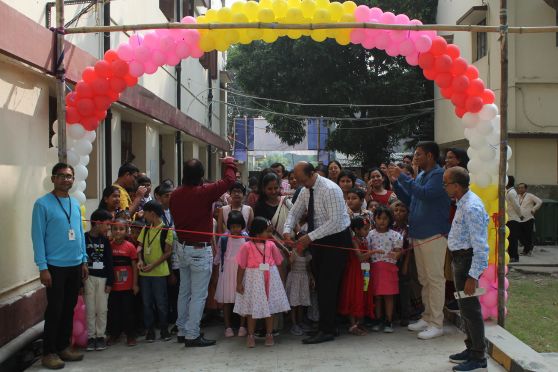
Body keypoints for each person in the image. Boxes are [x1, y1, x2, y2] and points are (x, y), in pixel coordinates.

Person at [170, 157, 237, 347]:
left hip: (182, 248)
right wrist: (229, 163)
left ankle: (182, 330)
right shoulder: (204, 192)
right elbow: (230, 181)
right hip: (199, 249)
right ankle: (192, 334)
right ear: (201, 176)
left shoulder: (175, 194)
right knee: (198, 295)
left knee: (185, 291)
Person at [284, 161, 352, 344]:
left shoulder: (330, 189)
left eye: (302, 179)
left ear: (312, 173)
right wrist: (287, 229)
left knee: (327, 285)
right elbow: (295, 211)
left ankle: (327, 329)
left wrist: (309, 237)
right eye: (297, 180)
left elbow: (335, 221)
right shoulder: (307, 190)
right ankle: (328, 324)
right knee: (322, 285)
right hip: (318, 239)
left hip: (336, 239)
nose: (299, 183)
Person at [388, 141, 451, 340]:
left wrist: (403, 177)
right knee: (424, 279)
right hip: (420, 234)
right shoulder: (423, 175)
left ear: (430, 156)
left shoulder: (439, 175)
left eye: (418, 154)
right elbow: (410, 200)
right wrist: (396, 182)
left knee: (435, 279)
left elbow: (425, 193)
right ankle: (427, 316)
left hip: (433, 235)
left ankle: (437, 323)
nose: (415, 157)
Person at [31, 163, 88, 369]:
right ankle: (49, 352)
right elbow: (37, 237)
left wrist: (83, 260)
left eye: (70, 176)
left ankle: (63, 346)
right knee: (54, 309)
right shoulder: (42, 204)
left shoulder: (74, 203)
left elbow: (80, 233)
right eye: (62, 176)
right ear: (53, 179)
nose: (67, 179)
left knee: (68, 308)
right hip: (54, 267)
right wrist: (42, 267)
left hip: (75, 265)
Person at [443, 167, 489, 372]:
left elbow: (481, 246)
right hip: (459, 260)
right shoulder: (461, 202)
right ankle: (471, 348)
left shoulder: (471, 207)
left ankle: (479, 357)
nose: (444, 187)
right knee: (465, 309)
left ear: (457, 186)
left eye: (446, 183)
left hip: (467, 262)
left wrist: (473, 275)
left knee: (471, 310)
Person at [234, 217, 291, 348]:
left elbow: (279, 262)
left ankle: (269, 334)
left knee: (269, 308)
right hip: (253, 279)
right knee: (251, 309)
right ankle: (250, 335)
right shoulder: (246, 247)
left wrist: (281, 282)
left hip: (271, 278)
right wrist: (238, 283)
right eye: (267, 231)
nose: (269, 234)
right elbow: (241, 266)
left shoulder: (271, 245)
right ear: (258, 232)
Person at [137, 200, 173, 342]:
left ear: (152, 213)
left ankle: (164, 329)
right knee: (146, 303)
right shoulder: (145, 229)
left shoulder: (167, 230)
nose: (143, 215)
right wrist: (140, 259)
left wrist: (153, 265)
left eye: (145, 212)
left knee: (161, 303)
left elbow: (167, 252)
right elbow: (139, 247)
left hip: (159, 273)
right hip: (145, 272)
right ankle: (150, 330)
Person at [368, 206, 403, 333]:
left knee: (389, 296)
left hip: (389, 269)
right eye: (379, 218)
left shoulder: (395, 235)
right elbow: (366, 251)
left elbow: (399, 251)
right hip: (375, 268)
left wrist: (397, 255)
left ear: (390, 220)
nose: (382, 221)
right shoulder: (370, 234)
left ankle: (389, 321)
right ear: (374, 219)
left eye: (385, 218)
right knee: (377, 296)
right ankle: (378, 320)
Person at [337, 216, 375, 336]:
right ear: (356, 230)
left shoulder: (363, 240)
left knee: (363, 295)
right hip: (354, 273)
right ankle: (352, 325)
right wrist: (373, 252)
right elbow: (360, 257)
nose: (367, 231)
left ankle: (359, 323)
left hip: (364, 272)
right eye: (365, 229)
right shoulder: (354, 241)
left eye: (368, 229)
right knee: (354, 296)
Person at [84, 209, 114, 352]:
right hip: (88, 278)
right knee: (90, 309)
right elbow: (80, 261)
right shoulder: (84, 238)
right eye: (107, 225)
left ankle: (100, 336)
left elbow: (109, 261)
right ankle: (91, 337)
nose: (109, 228)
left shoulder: (105, 241)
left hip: (103, 279)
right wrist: (80, 283)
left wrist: (110, 281)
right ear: (97, 223)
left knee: (102, 309)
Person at [214, 211, 248, 337]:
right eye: (233, 226)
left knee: (242, 299)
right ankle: (227, 327)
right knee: (227, 301)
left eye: (238, 226)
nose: (235, 229)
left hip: (242, 272)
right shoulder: (224, 239)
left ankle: (242, 326)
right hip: (227, 272)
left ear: (242, 226)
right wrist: (216, 267)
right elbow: (218, 255)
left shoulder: (246, 237)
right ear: (229, 226)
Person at [107, 218, 139, 347]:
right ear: (111, 231)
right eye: (115, 229)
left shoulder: (130, 247)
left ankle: (130, 335)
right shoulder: (108, 246)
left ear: (126, 231)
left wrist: (135, 284)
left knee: (128, 312)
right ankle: (114, 334)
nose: (118, 232)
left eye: (121, 229)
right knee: (114, 312)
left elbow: (134, 267)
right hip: (113, 288)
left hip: (127, 287)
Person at [154, 183, 180, 332]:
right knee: (162, 293)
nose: (169, 198)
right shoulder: (156, 214)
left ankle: (177, 318)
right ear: (159, 197)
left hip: (176, 256)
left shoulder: (176, 211)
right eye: (166, 196)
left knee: (176, 291)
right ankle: (162, 320)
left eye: (171, 195)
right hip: (160, 256)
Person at [516, 183, 543, 256]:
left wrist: (534, 209)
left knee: (528, 235)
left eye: (522, 188)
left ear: (525, 189)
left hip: (528, 218)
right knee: (520, 235)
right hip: (520, 219)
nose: (520, 189)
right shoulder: (517, 196)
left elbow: (539, 201)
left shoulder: (529, 195)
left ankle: (527, 250)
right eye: (519, 188)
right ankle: (529, 247)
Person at [505, 176, 522, 262]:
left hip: (513, 219)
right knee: (510, 238)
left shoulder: (511, 193)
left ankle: (514, 256)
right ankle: (512, 255)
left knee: (513, 239)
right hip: (510, 218)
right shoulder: (508, 192)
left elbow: (517, 206)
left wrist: (520, 215)